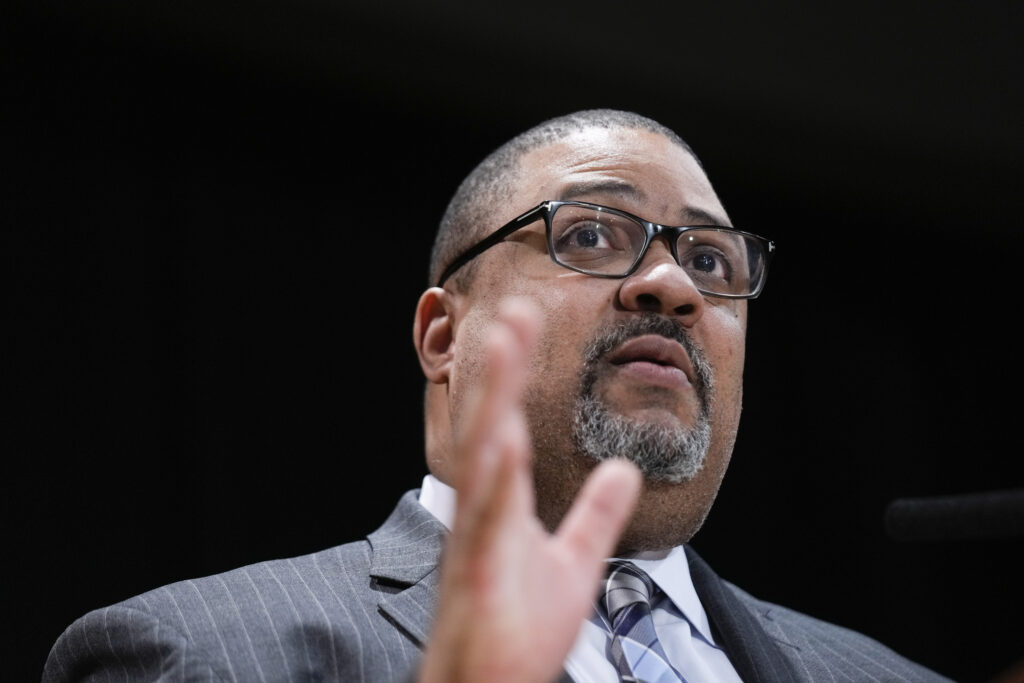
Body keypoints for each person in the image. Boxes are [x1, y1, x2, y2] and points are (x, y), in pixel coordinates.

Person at [42, 109, 951, 682]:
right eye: (593, 232)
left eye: (711, 261)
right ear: (445, 336)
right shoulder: (200, 655)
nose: (673, 285)